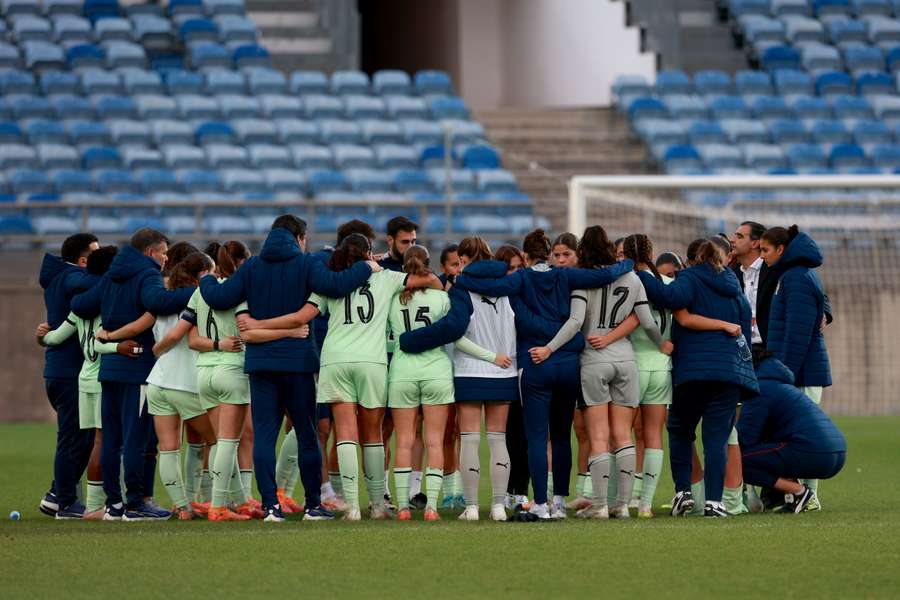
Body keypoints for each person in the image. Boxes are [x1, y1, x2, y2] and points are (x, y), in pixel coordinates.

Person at [402, 229, 635, 519]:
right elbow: (601, 277)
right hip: (549, 365)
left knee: (522, 438)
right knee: (556, 437)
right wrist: (629, 262)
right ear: (549, 254)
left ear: (524, 256)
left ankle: (514, 503)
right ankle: (546, 503)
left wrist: (463, 280)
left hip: (517, 365)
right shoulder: (561, 276)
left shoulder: (515, 281)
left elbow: (490, 309)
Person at [236, 233, 440, 521]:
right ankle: (378, 506)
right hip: (372, 361)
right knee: (372, 436)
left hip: (335, 361)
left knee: (344, 433)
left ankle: (352, 507)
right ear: (369, 253)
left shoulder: (330, 282)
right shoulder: (387, 278)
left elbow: (299, 318)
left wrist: (258, 323)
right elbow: (431, 281)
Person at [197, 215, 377, 522]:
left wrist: (206, 277)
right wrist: (366, 267)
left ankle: (270, 507)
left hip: (261, 363)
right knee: (307, 434)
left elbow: (219, 297)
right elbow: (336, 286)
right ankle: (311, 506)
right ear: (300, 238)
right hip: (297, 363)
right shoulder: (306, 265)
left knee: (265, 437)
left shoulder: (252, 267)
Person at [530, 226, 668, 520]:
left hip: (593, 360)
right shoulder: (632, 278)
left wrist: (549, 349)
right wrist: (662, 345)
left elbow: (574, 322)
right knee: (624, 435)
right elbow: (646, 321)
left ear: (583, 252)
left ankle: (600, 505)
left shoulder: (583, 283)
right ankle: (624, 504)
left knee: (599, 437)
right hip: (626, 360)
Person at [71, 228, 195, 521]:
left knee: (112, 439)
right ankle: (136, 503)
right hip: (137, 368)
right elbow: (158, 302)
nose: (166, 258)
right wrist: (201, 290)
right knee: (136, 440)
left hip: (110, 369)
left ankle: (113, 505)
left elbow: (81, 304)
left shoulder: (112, 275)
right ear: (151, 252)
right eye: (164, 252)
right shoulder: (147, 273)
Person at [637, 238, 759, 518]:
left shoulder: (689, 278)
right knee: (716, 439)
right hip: (729, 373)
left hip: (693, 371)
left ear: (692, 260)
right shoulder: (733, 285)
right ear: (722, 258)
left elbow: (668, 298)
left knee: (680, 429)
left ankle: (684, 493)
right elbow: (744, 330)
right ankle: (715, 502)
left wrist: (642, 270)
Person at [388, 246, 498, 521]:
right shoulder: (442, 298)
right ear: (429, 266)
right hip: (436, 371)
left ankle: (402, 507)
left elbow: (388, 338)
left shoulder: (392, 300)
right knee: (435, 440)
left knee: (403, 440)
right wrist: (493, 357)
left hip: (402, 372)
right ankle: (432, 508)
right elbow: (456, 336)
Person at [35, 245, 140, 519]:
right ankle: (92, 505)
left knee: (90, 441)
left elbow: (54, 338)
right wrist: (119, 348)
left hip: (84, 377)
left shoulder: (78, 310)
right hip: (102, 378)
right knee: (102, 442)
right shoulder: (108, 307)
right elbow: (100, 341)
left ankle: (82, 502)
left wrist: (41, 336)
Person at [435, 238, 517, 522]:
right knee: (498, 440)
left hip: (469, 370)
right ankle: (497, 507)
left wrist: (489, 356)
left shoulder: (461, 289)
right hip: (504, 370)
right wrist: (503, 357)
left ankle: (471, 507)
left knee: (469, 440)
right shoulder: (511, 285)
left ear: (467, 258)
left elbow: (456, 334)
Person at [183, 241, 265, 521]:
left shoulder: (200, 292)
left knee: (220, 443)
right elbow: (247, 328)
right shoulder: (240, 290)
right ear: (242, 262)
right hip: (232, 370)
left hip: (204, 372)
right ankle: (219, 507)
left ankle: (232, 500)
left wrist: (217, 344)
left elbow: (192, 340)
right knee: (230, 442)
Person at [140, 252, 220, 520]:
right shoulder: (199, 300)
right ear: (202, 275)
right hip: (184, 382)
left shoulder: (162, 299)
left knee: (169, 448)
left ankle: (182, 507)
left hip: (158, 380)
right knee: (219, 440)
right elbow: (185, 337)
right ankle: (216, 501)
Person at [760, 225, 832, 510]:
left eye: (766, 250)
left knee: (806, 435)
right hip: (796, 370)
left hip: (800, 372)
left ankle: (810, 496)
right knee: (792, 434)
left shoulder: (797, 278)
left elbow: (798, 333)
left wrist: (784, 375)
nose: (762, 255)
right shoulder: (790, 275)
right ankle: (799, 494)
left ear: (781, 249)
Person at [738, 349, 846, 513]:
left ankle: (799, 493)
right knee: (769, 451)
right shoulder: (781, 384)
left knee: (737, 462)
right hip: (838, 453)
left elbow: (745, 439)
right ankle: (790, 496)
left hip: (814, 452)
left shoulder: (760, 389)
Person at [38, 232, 99, 518]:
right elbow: (89, 282)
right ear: (83, 260)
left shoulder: (61, 277)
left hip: (61, 369)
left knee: (82, 436)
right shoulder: (71, 277)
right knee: (74, 438)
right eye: (96, 256)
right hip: (68, 372)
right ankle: (64, 501)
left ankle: (57, 494)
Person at [622, 234, 675, 518]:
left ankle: (622, 499)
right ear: (651, 251)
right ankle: (645, 504)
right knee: (654, 435)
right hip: (662, 367)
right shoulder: (668, 283)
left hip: (633, 365)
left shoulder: (628, 282)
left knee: (621, 435)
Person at [550, 233, 592, 510]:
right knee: (559, 431)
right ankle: (555, 494)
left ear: (578, 255)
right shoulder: (551, 281)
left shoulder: (586, 280)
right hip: (560, 362)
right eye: (557, 255)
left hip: (587, 359)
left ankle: (589, 491)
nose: (561, 260)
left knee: (587, 430)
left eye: (567, 255)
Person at [493, 244, 530, 508]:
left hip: (524, 368)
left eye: (519, 268)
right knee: (503, 435)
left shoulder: (527, 295)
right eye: (510, 269)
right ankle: (504, 491)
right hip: (500, 370)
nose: (515, 274)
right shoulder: (495, 297)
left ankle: (521, 490)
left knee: (524, 434)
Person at [730, 221, 767, 346]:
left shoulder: (771, 270)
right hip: (744, 347)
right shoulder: (732, 274)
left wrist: (824, 311)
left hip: (769, 349)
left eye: (739, 236)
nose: (732, 240)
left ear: (755, 243)